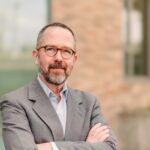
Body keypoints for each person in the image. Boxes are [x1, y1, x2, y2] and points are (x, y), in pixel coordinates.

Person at [0, 22, 117, 150]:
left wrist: (50, 147)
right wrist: (88, 146)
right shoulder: (14, 103)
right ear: (36, 56)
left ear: (74, 59)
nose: (59, 58)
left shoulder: (89, 104)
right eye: (50, 49)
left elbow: (110, 147)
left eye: (66, 51)